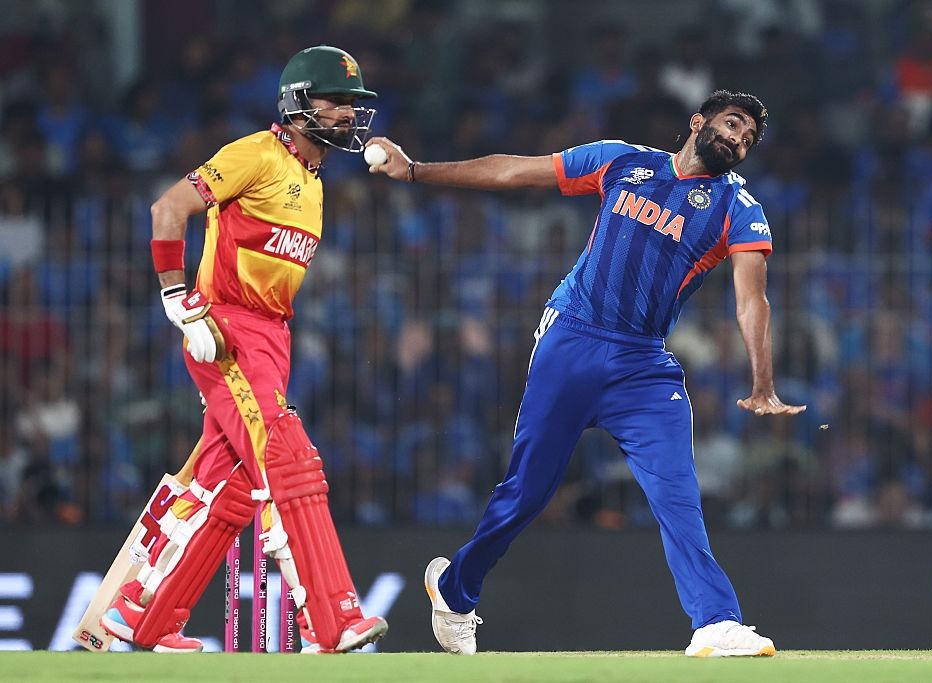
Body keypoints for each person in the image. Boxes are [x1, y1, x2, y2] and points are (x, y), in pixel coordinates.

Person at [367, 90, 804, 657]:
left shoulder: (737, 207)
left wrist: (762, 382)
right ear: (698, 122)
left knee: (677, 493)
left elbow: (752, 300)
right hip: (572, 339)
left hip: (644, 365)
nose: (739, 139)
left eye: (749, 138)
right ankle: (455, 591)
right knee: (527, 492)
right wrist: (415, 171)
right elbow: (512, 171)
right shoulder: (622, 161)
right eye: (733, 123)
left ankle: (716, 622)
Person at [97, 46, 388, 653]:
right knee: (288, 459)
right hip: (226, 332)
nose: (346, 114)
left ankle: (142, 613)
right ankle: (331, 620)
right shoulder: (255, 153)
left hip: (272, 337)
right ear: (298, 104)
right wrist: (178, 300)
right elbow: (168, 208)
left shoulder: (314, 182)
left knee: (227, 484)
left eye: (352, 104)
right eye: (334, 102)